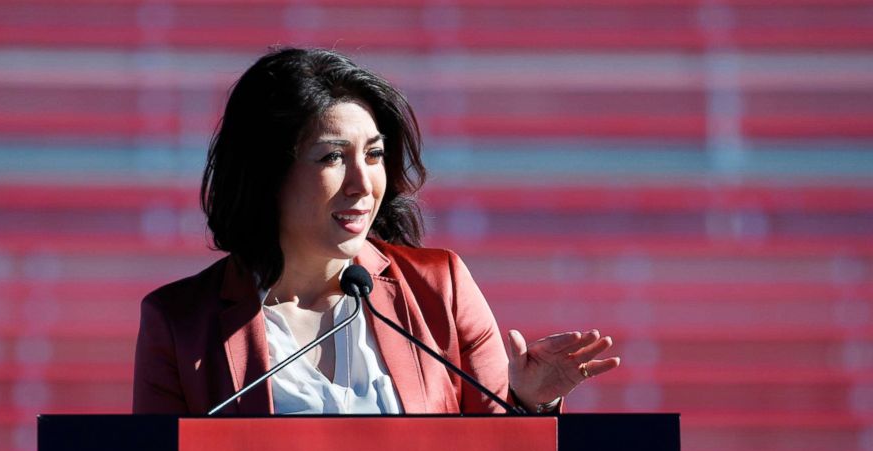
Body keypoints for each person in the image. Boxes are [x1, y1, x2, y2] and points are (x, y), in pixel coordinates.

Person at [132, 47, 619, 416]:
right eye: (331, 158)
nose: (363, 185)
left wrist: (528, 402)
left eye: (374, 154)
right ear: (267, 173)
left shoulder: (440, 288)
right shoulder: (180, 323)